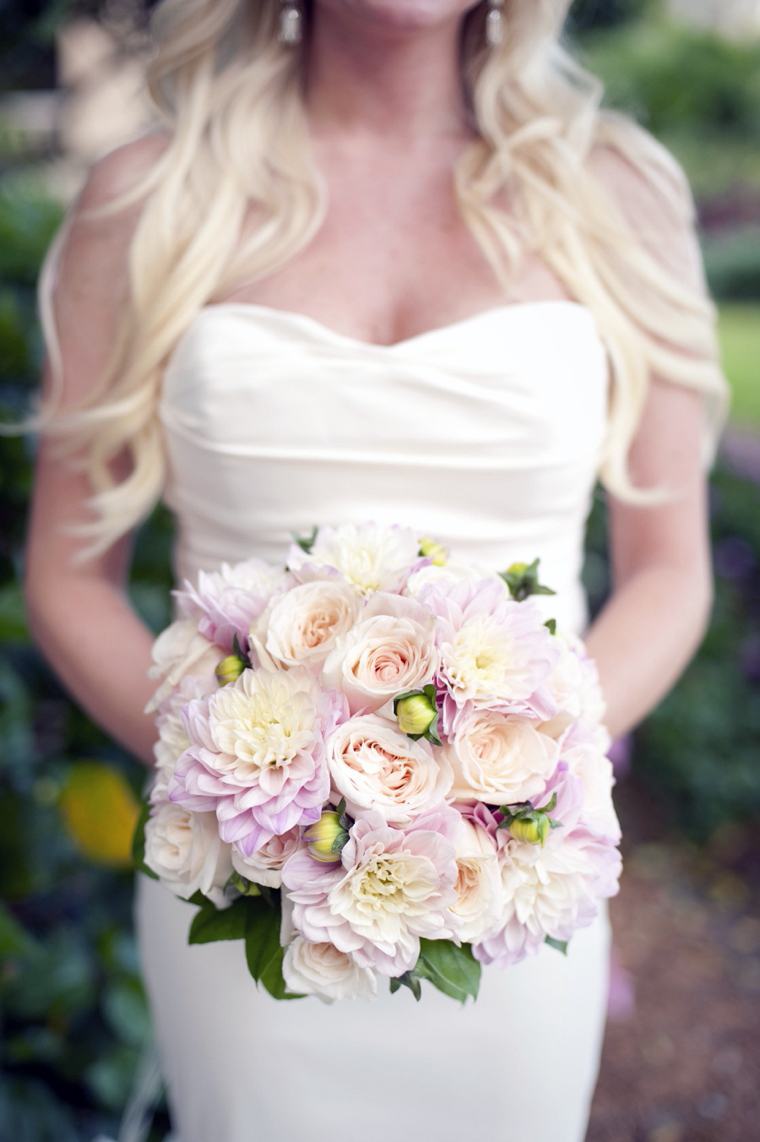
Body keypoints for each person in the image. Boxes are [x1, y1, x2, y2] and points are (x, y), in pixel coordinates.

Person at [11, 2, 730, 1140]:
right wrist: (260, 798)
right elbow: (65, 573)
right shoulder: (148, 198)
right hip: (247, 893)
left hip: (506, 894)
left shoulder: (612, 195)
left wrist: (501, 789)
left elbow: (669, 570)